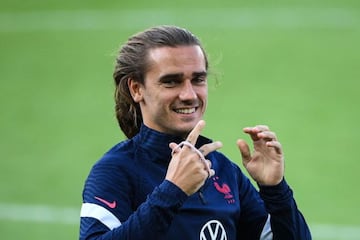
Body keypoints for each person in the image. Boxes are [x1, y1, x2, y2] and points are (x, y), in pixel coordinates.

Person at [79, 25, 311, 240]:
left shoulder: (224, 171)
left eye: (198, 79)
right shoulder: (116, 170)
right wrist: (172, 191)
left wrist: (275, 191)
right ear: (137, 89)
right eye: (171, 82)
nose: (189, 94)